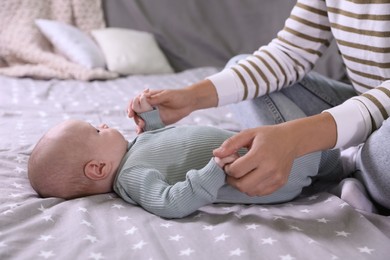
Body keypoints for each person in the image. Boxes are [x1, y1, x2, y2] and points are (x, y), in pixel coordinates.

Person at [127, 1, 390, 210]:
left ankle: (351, 168)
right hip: (368, 109)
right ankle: (348, 164)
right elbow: (289, 54)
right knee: (240, 69)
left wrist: (296, 138)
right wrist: (191, 97)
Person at [28, 92, 343, 218]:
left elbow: (160, 143)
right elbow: (171, 202)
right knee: (321, 151)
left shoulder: (134, 152)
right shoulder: (131, 177)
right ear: (98, 168)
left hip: (271, 153)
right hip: (265, 171)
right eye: (96, 131)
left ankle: (344, 179)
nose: (104, 124)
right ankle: (348, 169)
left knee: (328, 159)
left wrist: (150, 116)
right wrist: (214, 169)